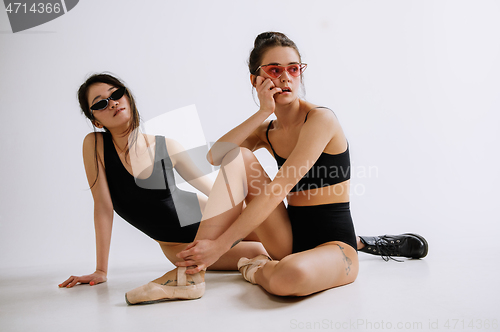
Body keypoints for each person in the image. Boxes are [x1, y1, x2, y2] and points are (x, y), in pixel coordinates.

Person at [124, 32, 428, 304]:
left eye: (293, 69)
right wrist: (262, 112)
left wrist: (220, 246)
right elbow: (216, 157)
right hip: (289, 238)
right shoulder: (267, 130)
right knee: (237, 159)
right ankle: (190, 277)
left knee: (288, 277)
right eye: (274, 70)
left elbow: (276, 191)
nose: (285, 77)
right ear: (256, 79)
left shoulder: (320, 120)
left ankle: (258, 266)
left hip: (334, 243)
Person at [59, 74, 268, 292]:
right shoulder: (95, 145)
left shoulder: (167, 146)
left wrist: (252, 211)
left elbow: (215, 191)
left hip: (215, 219)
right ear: (95, 120)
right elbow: (103, 207)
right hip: (181, 247)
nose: (112, 103)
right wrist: (101, 270)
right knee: (261, 252)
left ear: (128, 97)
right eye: (101, 103)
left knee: (282, 245)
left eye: (116, 94)